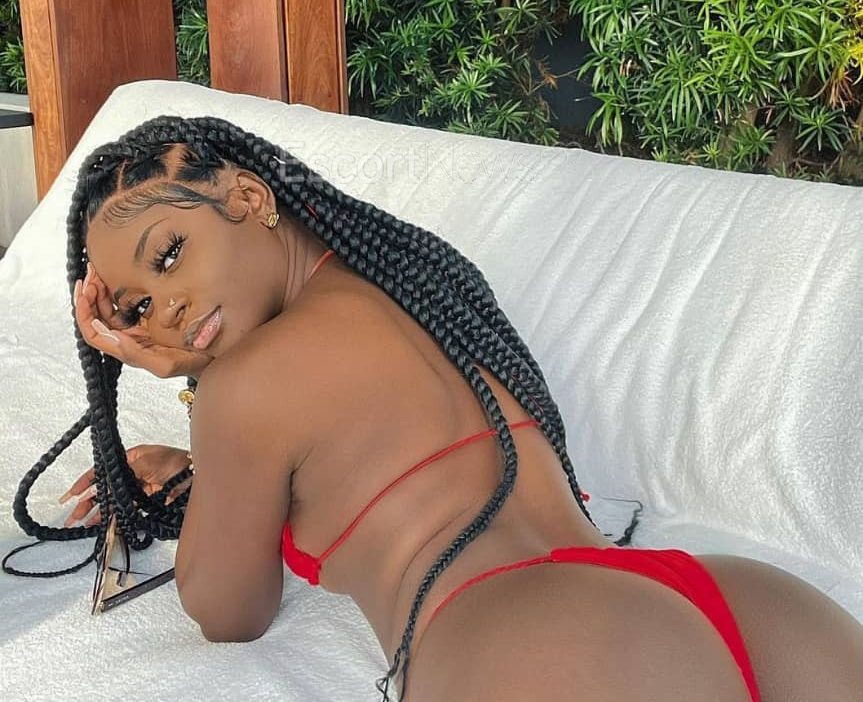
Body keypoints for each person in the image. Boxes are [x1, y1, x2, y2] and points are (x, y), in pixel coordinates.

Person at [6, 115, 863, 701]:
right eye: (135, 309)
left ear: (248, 198)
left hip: (535, 644)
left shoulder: (245, 389)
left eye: (168, 255)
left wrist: (197, 386)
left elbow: (227, 611)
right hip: (735, 600)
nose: (166, 309)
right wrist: (209, 464)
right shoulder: (418, 279)